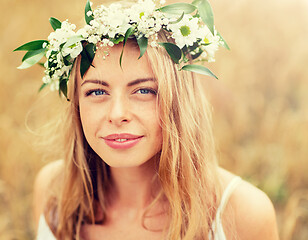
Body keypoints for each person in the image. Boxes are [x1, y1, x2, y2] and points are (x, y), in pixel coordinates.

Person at [15, 0, 279, 239]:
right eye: (97, 91)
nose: (117, 114)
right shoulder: (55, 191)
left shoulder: (243, 214)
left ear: (178, 100)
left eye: (144, 91)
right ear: (76, 104)